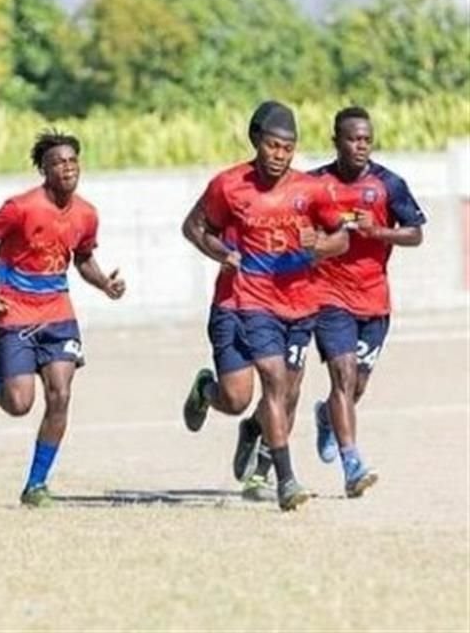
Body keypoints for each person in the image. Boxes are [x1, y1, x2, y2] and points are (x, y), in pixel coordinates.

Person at [180, 101, 350, 511]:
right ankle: (287, 480)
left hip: (298, 304)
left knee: (286, 393)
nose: (279, 155)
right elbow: (193, 227)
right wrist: (220, 251)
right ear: (256, 141)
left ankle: (260, 467)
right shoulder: (229, 185)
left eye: (287, 149)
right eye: (272, 146)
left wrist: (321, 247)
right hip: (242, 300)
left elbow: (340, 239)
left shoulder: (311, 190)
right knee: (248, 392)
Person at [0, 129, 126, 508]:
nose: (67, 168)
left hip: (58, 315)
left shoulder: (87, 214)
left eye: (72, 161)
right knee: (19, 404)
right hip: (15, 314)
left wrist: (104, 284)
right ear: (44, 170)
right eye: (57, 163)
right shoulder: (20, 208)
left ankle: (36, 484)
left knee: (61, 395)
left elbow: (82, 258)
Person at [308, 106, 426, 497]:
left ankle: (327, 416)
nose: (360, 146)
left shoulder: (389, 184)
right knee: (342, 376)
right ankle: (352, 463)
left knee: (355, 387)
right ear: (335, 141)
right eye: (352, 139)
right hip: (329, 296)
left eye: (366, 140)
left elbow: (415, 233)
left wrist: (376, 231)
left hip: (374, 300)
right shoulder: (315, 184)